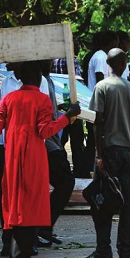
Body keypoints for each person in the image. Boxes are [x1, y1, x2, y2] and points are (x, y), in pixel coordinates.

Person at [0, 61, 81, 258]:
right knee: (30, 209)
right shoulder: (42, 100)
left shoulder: (8, 99)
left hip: (12, 160)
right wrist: (67, 117)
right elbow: (45, 131)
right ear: (37, 78)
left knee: (15, 207)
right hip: (34, 161)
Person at [80, 48, 130, 258]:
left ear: (107, 64)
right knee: (127, 203)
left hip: (108, 151)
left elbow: (99, 123)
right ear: (125, 64)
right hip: (127, 152)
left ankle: (103, 250)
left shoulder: (101, 87)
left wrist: (99, 154)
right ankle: (126, 251)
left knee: (102, 201)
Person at [0, 62, 50, 256]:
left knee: (28, 192)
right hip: (7, 144)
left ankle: (28, 239)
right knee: (9, 193)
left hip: (29, 146)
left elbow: (44, 121)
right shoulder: (5, 83)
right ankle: (8, 239)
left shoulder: (41, 85)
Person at [37, 62, 76, 246]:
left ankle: (43, 227)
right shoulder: (40, 80)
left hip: (51, 141)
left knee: (61, 182)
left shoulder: (48, 79)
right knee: (65, 182)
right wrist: (66, 117)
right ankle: (41, 227)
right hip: (47, 142)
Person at [85, 31, 119, 179]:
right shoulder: (101, 57)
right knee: (96, 140)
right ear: (111, 43)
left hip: (101, 105)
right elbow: (100, 81)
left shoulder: (100, 56)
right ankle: (93, 171)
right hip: (99, 105)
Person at [51, 38, 86, 178]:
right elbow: (79, 82)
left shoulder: (53, 61)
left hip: (59, 105)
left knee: (61, 140)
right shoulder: (72, 61)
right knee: (77, 141)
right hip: (72, 104)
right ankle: (78, 172)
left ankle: (62, 169)